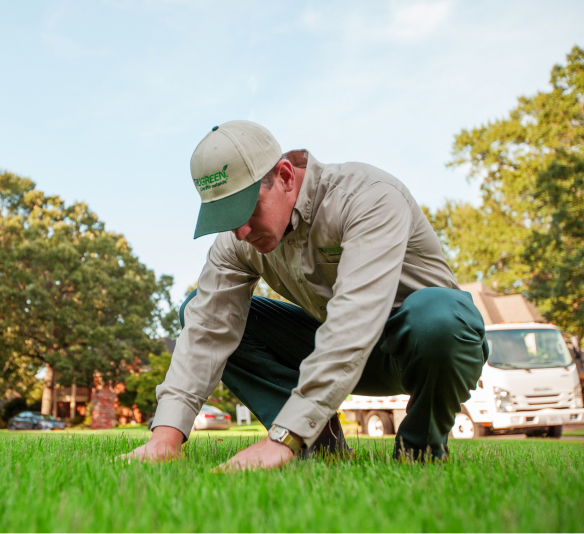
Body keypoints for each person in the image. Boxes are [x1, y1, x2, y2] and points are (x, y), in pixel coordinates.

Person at [123, 120, 488, 470]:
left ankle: (419, 449)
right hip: (334, 345)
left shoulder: (367, 197)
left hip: (418, 346)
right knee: (196, 309)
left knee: (439, 317)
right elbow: (207, 330)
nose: (241, 230)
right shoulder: (237, 241)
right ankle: (320, 446)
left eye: (247, 209)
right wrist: (165, 437)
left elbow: (355, 319)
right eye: (226, 217)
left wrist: (284, 435)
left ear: (283, 176)